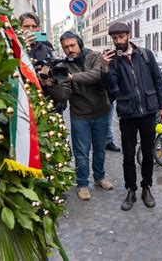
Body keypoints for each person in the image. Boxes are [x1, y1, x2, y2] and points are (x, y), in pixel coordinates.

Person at [101, 22, 162, 211]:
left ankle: (146, 187)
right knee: (128, 155)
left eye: (121, 37)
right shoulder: (113, 60)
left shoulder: (145, 54)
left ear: (128, 35)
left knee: (148, 153)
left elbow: (158, 81)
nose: (118, 41)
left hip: (148, 112)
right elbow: (112, 89)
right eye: (114, 38)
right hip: (128, 114)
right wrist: (105, 69)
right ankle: (131, 189)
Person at [41, 31, 113, 201]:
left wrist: (72, 77)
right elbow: (63, 95)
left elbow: (97, 75)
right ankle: (82, 184)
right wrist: (50, 83)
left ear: (79, 43)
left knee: (100, 149)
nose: (70, 50)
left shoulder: (94, 56)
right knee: (81, 152)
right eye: (66, 47)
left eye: (72, 45)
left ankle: (100, 178)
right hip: (80, 115)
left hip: (101, 111)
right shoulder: (63, 66)